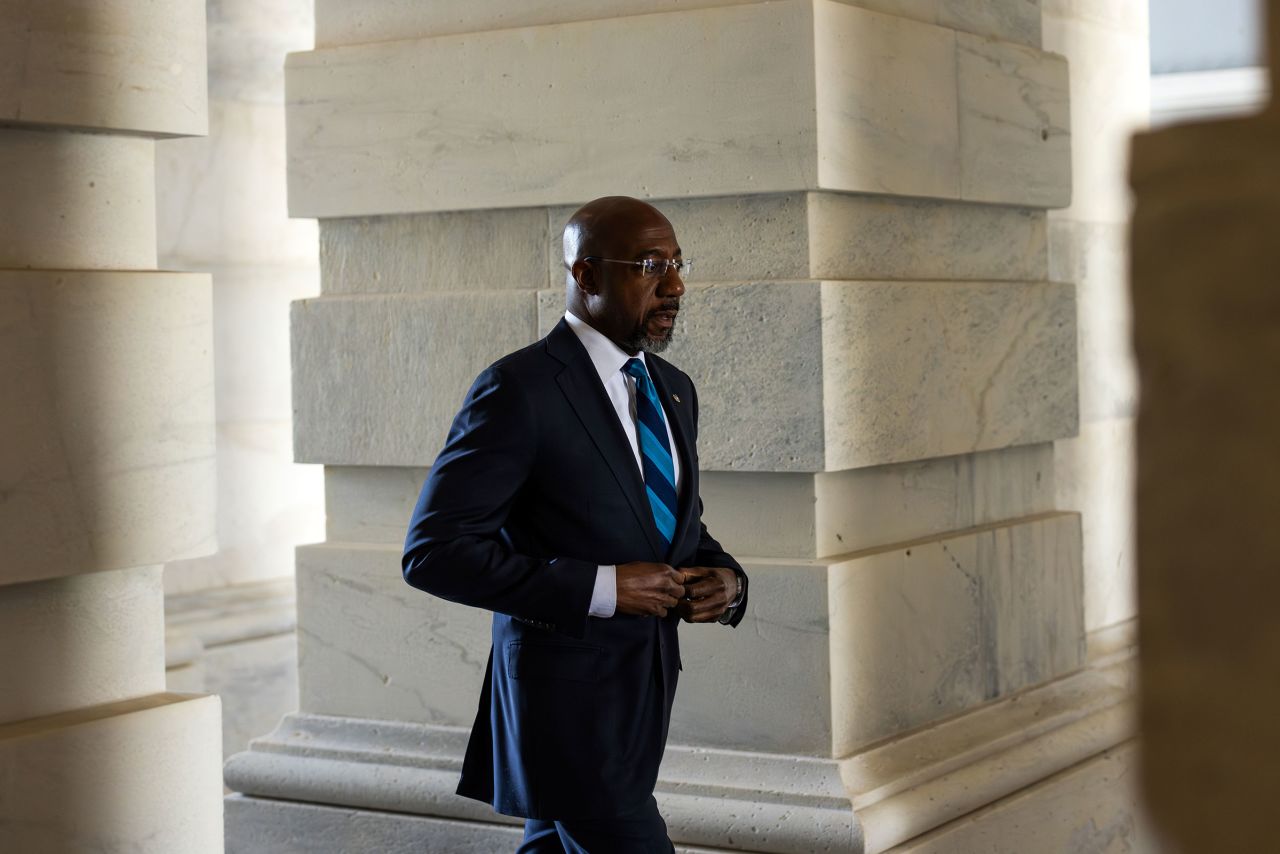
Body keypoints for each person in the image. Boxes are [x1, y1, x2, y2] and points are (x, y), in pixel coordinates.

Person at [402, 195, 749, 853]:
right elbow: (434, 552)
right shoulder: (519, 390)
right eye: (649, 265)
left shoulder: (674, 388)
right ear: (586, 275)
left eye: (677, 264)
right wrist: (604, 588)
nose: (674, 285)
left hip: (641, 695)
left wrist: (729, 582)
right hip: (562, 708)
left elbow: (677, 529)